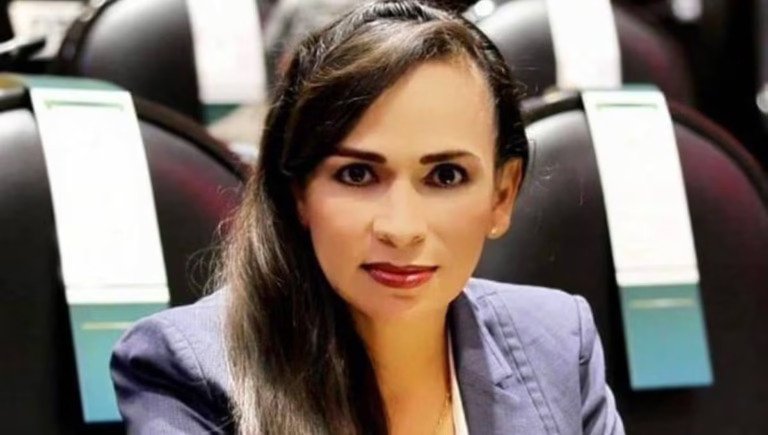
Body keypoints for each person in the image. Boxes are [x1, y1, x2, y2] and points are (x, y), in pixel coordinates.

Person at [110, 1, 625, 434]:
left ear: (502, 196)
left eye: (445, 176)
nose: (401, 228)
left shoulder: (559, 341)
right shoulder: (185, 370)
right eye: (357, 175)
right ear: (299, 193)